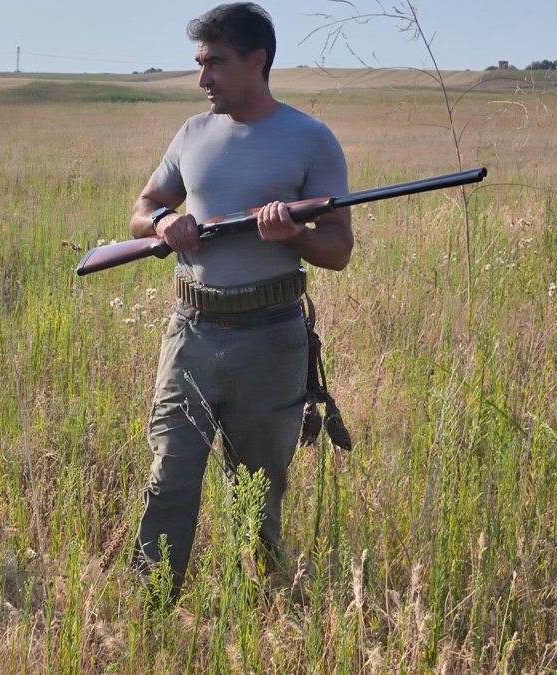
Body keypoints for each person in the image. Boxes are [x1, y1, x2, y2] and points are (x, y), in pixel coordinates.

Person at [129, 2, 353, 601]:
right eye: (200, 63)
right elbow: (142, 210)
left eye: (216, 63)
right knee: (169, 477)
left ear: (258, 61)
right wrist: (164, 222)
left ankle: (260, 611)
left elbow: (337, 249)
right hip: (191, 332)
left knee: (257, 490)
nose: (203, 78)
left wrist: (293, 235)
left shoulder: (310, 139)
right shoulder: (192, 133)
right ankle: (152, 606)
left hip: (270, 337)